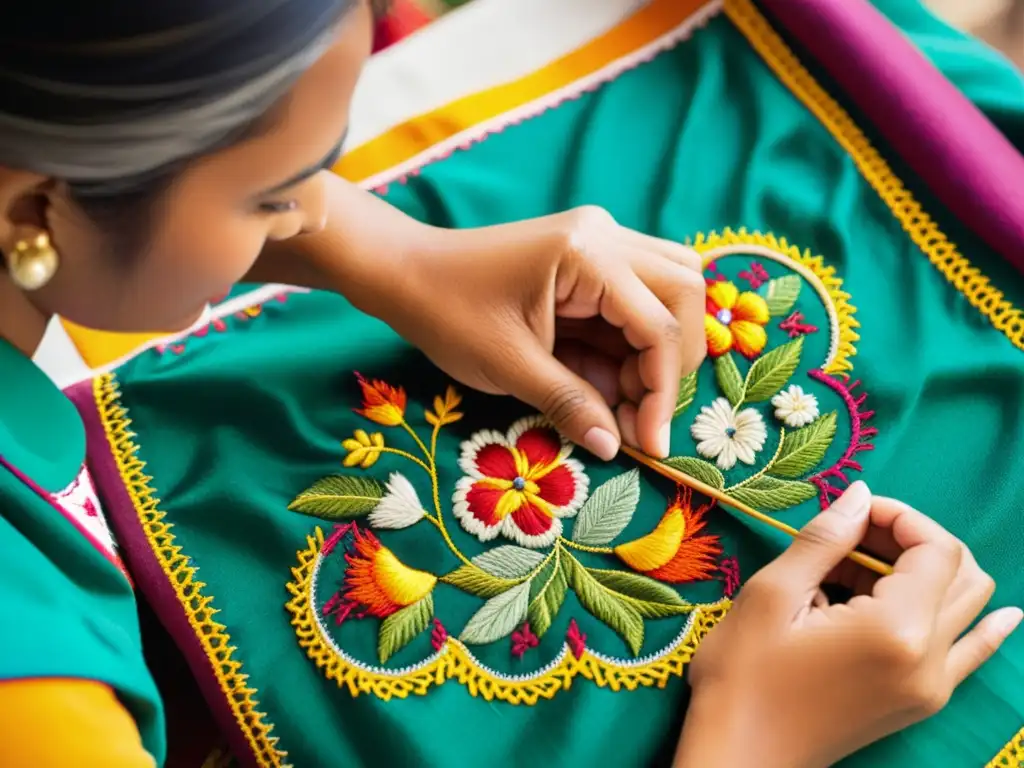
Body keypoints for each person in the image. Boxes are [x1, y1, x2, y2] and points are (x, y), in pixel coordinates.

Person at [0, 0, 1019, 766]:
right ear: (36, 206)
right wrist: (749, 738)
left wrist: (393, 256)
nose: (315, 212)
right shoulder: (35, 695)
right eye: (271, 192)